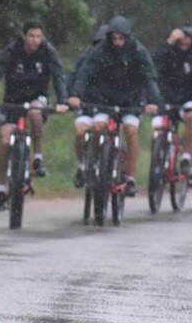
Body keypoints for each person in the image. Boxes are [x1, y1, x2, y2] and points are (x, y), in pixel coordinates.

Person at [0, 20, 69, 211]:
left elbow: (59, 76)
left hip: (38, 97)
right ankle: (2, 188)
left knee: (35, 113)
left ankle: (37, 157)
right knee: (4, 141)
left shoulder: (48, 52)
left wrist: (62, 101)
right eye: (31, 36)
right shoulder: (12, 51)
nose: (35, 40)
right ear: (23, 36)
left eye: (38, 36)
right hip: (13, 100)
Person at [67, 16, 160, 197]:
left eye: (121, 38)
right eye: (114, 38)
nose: (117, 42)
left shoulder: (138, 51)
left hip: (131, 102)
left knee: (131, 130)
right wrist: (76, 95)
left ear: (128, 37)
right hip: (105, 101)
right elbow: (85, 73)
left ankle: (130, 178)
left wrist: (153, 101)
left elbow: (150, 77)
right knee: (98, 127)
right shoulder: (100, 51)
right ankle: (94, 163)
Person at [152, 26, 192, 176]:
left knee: (191, 118)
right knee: (157, 126)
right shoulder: (168, 52)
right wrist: (169, 42)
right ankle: (160, 159)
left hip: (188, 99)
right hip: (167, 98)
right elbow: (154, 63)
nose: (184, 43)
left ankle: (186, 157)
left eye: (187, 40)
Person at [68, 24, 108, 188]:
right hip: (87, 104)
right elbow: (75, 78)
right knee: (80, 133)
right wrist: (70, 97)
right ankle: (82, 164)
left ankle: (105, 161)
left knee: (102, 129)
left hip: (107, 107)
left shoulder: (119, 61)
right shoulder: (86, 60)